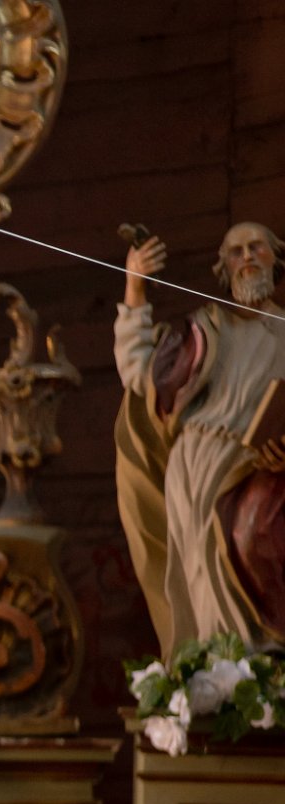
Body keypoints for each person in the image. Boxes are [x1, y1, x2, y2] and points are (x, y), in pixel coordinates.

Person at [115, 222, 285, 654]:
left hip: (260, 467)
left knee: (252, 542)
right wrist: (135, 288)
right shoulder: (204, 330)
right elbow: (140, 376)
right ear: (224, 269)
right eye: (236, 252)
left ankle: (263, 666)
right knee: (200, 576)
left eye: (256, 248)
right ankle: (220, 671)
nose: (247, 258)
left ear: (276, 258)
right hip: (195, 466)